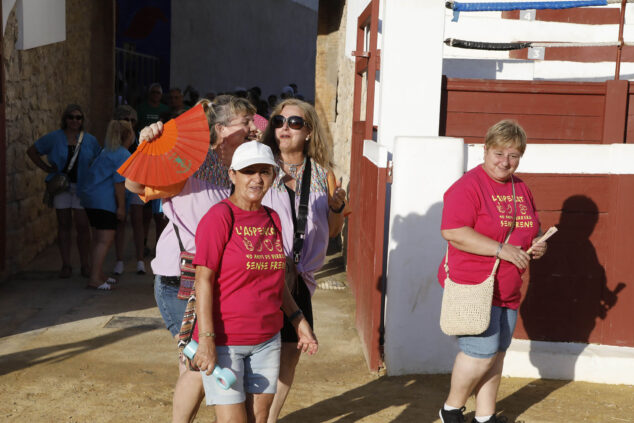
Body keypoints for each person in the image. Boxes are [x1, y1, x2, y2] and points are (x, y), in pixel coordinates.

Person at [125, 95, 259, 422]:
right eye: (247, 124)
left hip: (221, 280)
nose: (255, 129)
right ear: (222, 129)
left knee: (194, 362)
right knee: (199, 361)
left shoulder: (244, 170)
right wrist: (147, 145)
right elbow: (134, 183)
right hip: (180, 280)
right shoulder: (188, 162)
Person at [192, 140, 318, 423]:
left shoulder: (272, 218)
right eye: (249, 171)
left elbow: (276, 280)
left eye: (265, 171)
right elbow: (203, 281)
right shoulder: (219, 217)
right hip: (226, 342)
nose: (257, 178)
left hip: (267, 341)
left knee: (259, 420)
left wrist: (299, 321)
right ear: (233, 174)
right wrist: (207, 340)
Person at [436, 120, 548, 423]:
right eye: (499, 153)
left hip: (508, 286)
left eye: (513, 155)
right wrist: (502, 249)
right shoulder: (468, 186)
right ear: (485, 150)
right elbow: (453, 231)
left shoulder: (520, 187)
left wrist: (537, 244)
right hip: (473, 283)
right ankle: (451, 409)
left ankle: (485, 417)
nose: (505, 161)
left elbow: (530, 230)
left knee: (496, 354)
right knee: (480, 352)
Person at [260, 98, 347, 422]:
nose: (285, 128)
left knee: (288, 357)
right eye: (279, 121)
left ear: (309, 132)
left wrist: (336, 208)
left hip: (300, 279)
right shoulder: (261, 167)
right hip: (263, 274)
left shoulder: (324, 176)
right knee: (258, 353)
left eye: (294, 123)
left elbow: (334, 231)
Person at [26, 104, 101, 278]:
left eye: (78, 117)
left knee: (83, 226)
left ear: (82, 120)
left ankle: (85, 264)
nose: (74, 120)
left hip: (82, 188)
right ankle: (66, 265)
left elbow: (99, 160)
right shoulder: (54, 138)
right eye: (71, 117)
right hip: (61, 187)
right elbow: (32, 151)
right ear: (65, 119)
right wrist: (46, 168)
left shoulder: (89, 140)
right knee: (64, 225)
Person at [79, 120, 133, 290]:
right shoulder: (123, 154)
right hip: (104, 201)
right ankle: (95, 278)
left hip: (91, 199)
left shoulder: (106, 151)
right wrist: (122, 207)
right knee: (105, 240)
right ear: (127, 135)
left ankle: (98, 273)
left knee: (98, 239)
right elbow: (119, 184)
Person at [111, 105, 146, 276]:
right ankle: (119, 260)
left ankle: (140, 260)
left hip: (137, 182)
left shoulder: (140, 137)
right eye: (126, 120)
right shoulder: (114, 140)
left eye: (132, 120)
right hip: (120, 183)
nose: (130, 123)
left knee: (138, 221)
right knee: (121, 221)